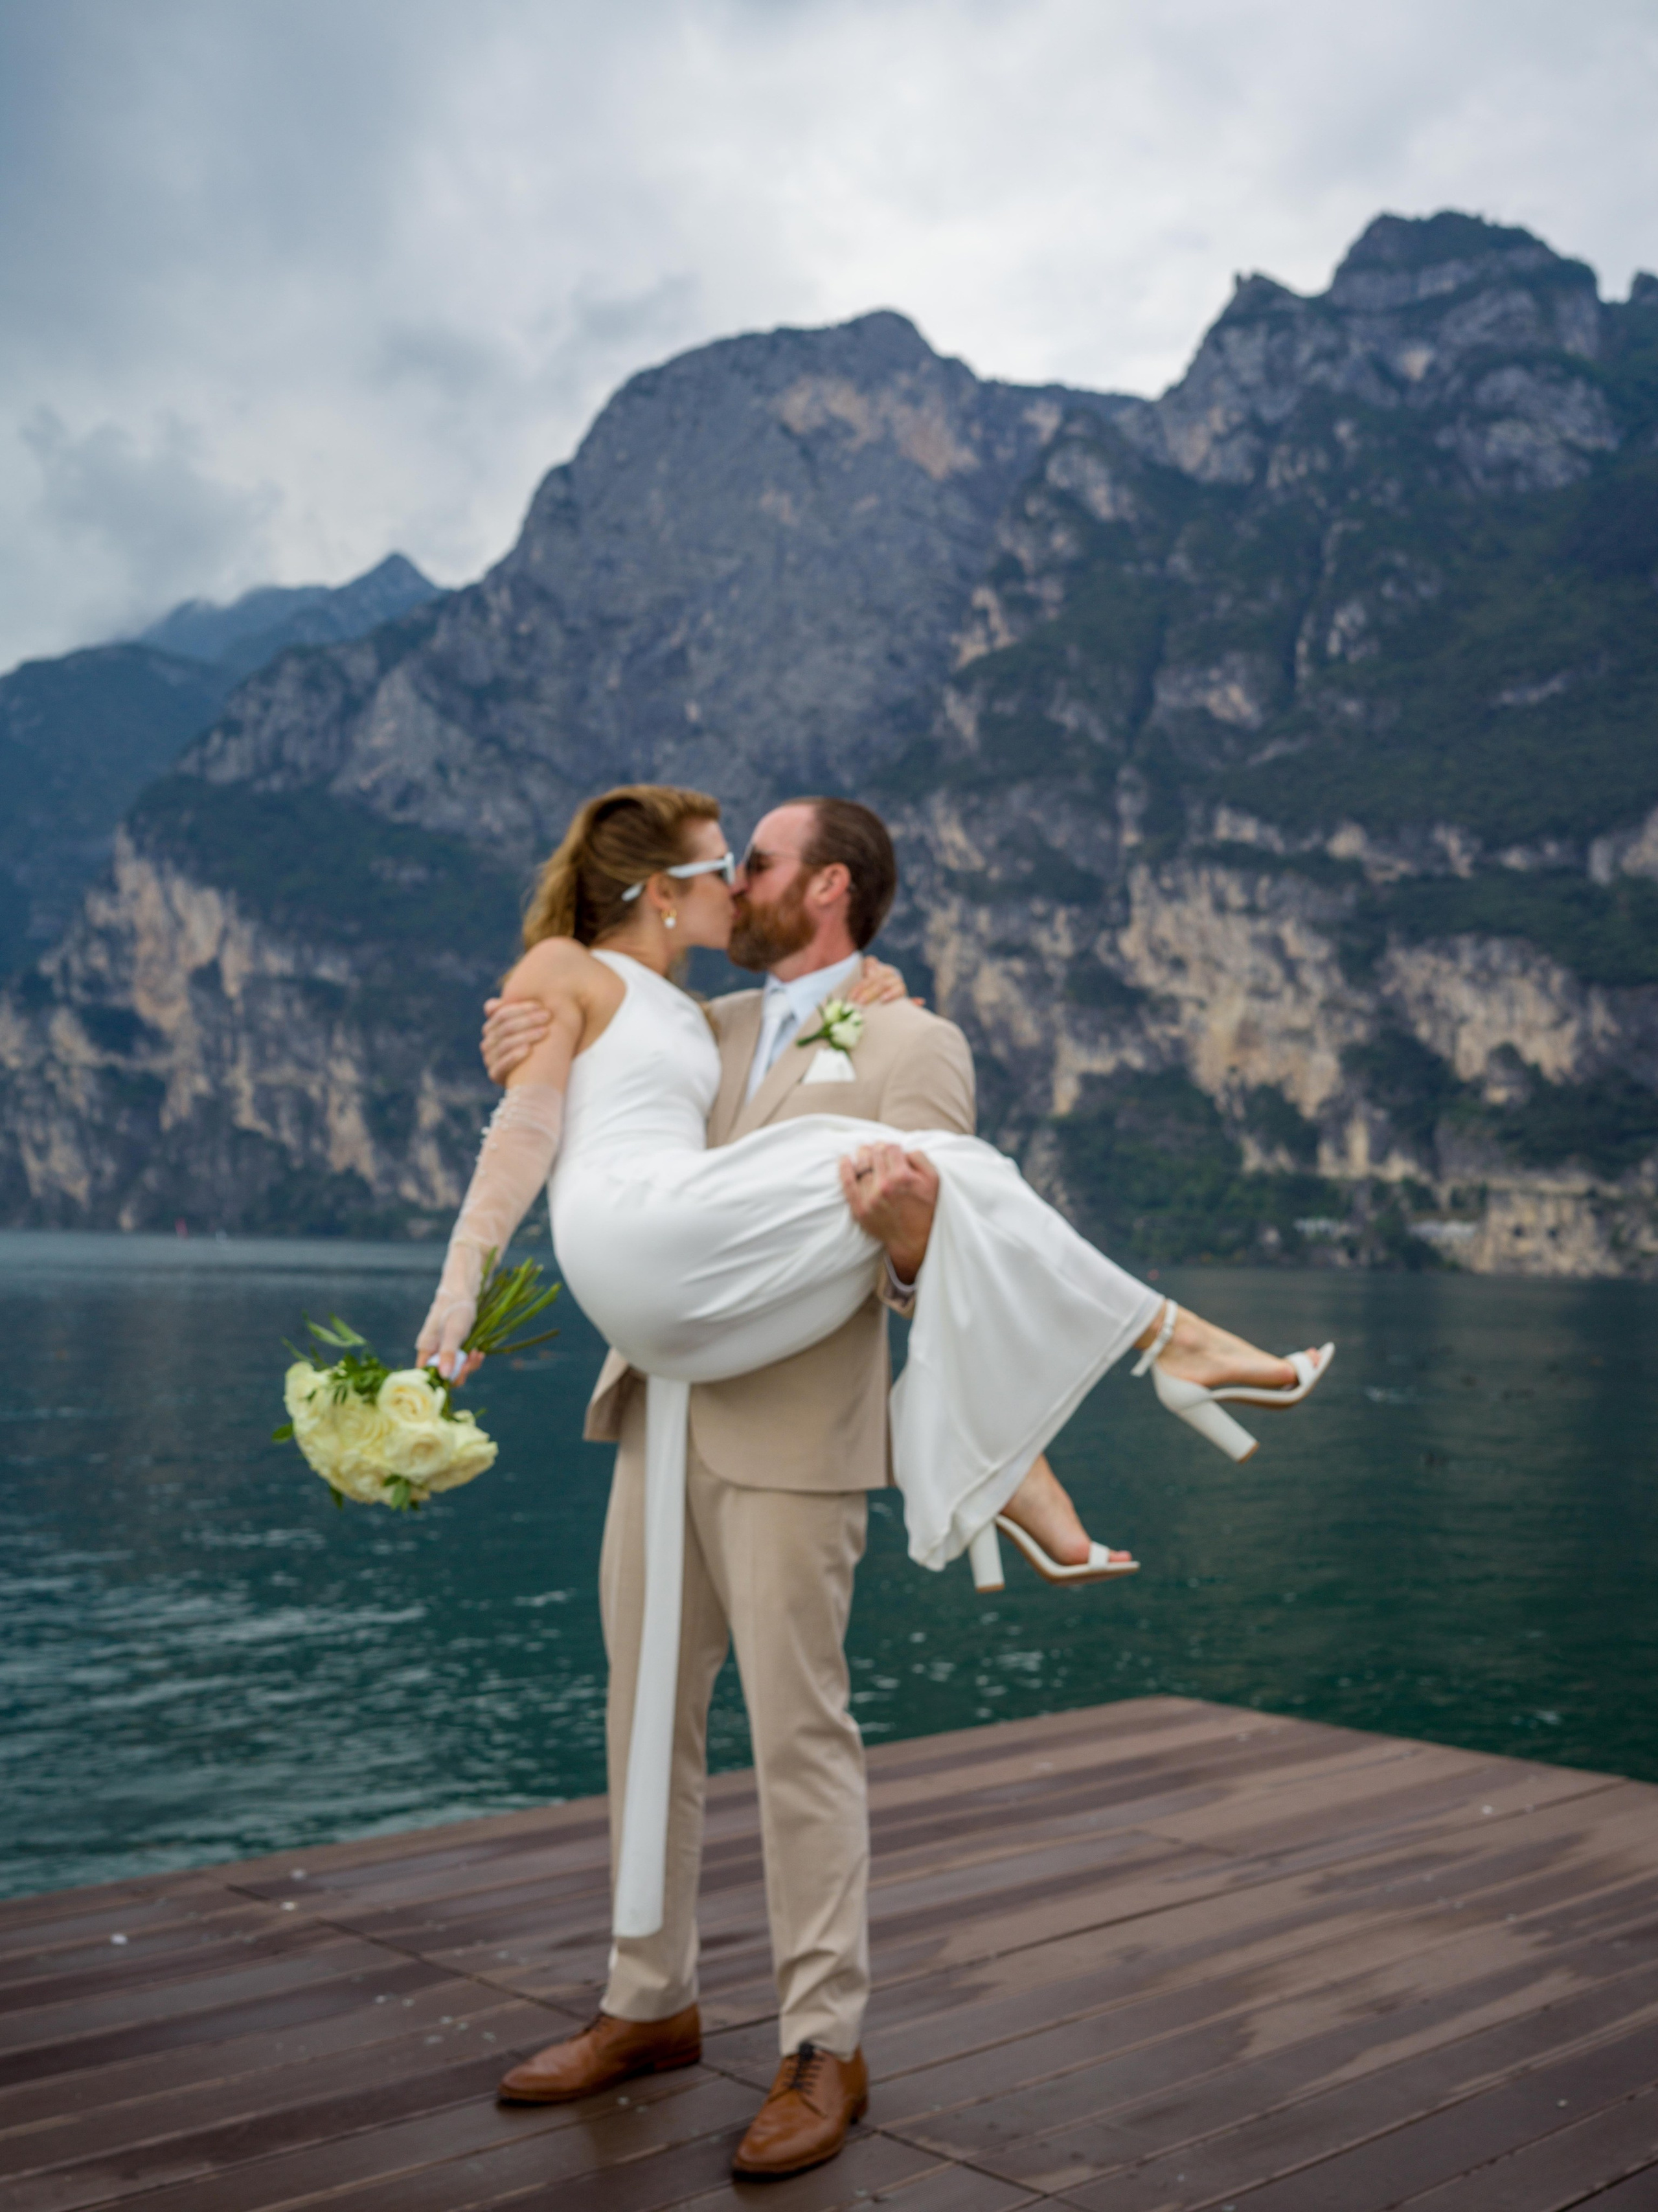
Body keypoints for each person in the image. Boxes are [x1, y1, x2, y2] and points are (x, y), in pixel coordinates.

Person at [415, 784, 1332, 2180]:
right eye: (722, 867)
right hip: (657, 1409)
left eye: (761, 863)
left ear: (828, 886)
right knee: (639, 1718)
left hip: (792, 1433)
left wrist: (904, 1235)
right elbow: (581, 1074)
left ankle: (822, 2042)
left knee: (799, 1736)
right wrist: (519, 1031)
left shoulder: (911, 1038)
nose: (738, 882)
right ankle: (645, 2000)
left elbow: (940, 1274)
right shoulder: (688, 1016)